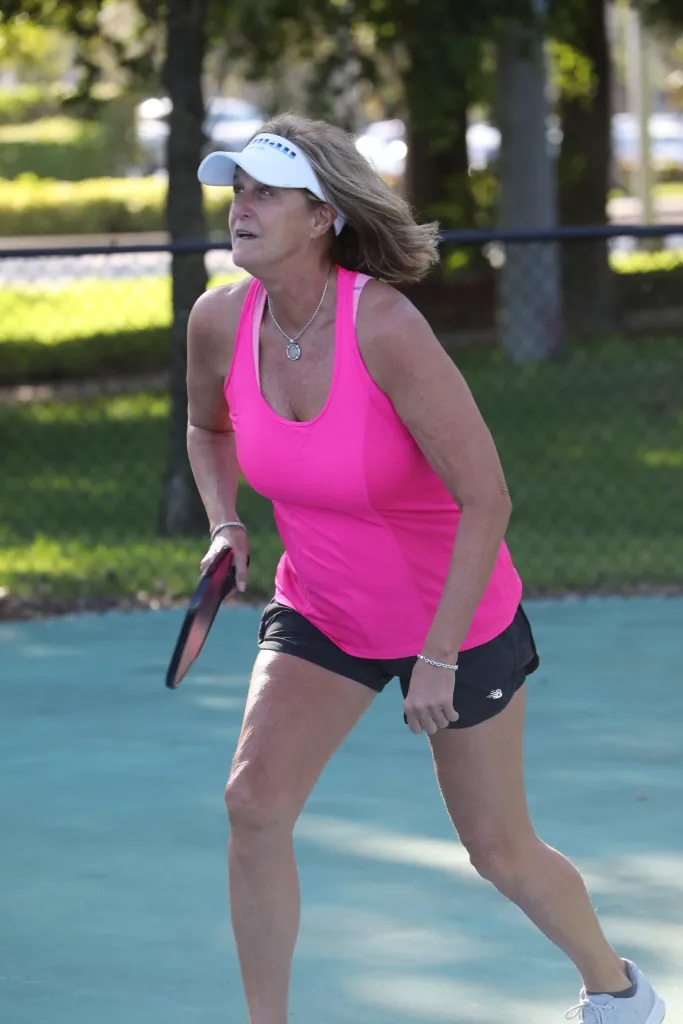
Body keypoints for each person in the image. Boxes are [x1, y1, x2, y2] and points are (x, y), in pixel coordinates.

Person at [186, 113, 665, 1024]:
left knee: (497, 848)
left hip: (455, 613)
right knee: (252, 804)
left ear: (322, 216)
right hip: (322, 606)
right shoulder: (218, 320)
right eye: (235, 189)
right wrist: (224, 522)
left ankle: (618, 992)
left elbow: (486, 497)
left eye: (264, 191)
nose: (240, 207)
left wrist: (438, 653)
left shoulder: (386, 327)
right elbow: (207, 430)